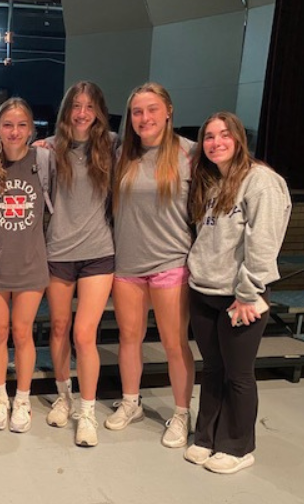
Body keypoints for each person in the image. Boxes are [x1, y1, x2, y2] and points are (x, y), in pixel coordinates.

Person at [185, 112, 290, 474]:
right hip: (204, 290)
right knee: (212, 368)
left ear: (239, 138)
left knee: (238, 373)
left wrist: (248, 293)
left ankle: (238, 445)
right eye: (209, 137)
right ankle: (206, 437)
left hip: (240, 296)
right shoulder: (211, 181)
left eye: (223, 135)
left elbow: (263, 242)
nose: (216, 142)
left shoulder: (261, 181)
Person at [108, 82, 196, 448]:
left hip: (171, 262)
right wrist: (45, 142)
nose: (144, 118)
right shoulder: (120, 152)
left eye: (152, 109)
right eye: (137, 111)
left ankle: (181, 413)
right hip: (128, 263)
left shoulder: (190, 153)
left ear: (169, 111)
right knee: (129, 338)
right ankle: (132, 403)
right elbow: (80, 142)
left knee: (174, 343)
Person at [41, 81, 117, 447]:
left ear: (98, 111)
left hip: (98, 253)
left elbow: (165, 147)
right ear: (67, 110)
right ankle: (63, 396)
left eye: (89, 106)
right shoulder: (50, 150)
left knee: (84, 334)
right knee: (59, 327)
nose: (82, 112)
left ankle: (87, 412)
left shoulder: (114, 146)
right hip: (58, 253)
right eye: (76, 105)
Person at [0, 97, 51, 433]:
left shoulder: (45, 160)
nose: (15, 131)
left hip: (30, 263)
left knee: (22, 332)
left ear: (31, 129)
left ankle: (22, 397)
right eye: (8, 125)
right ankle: (0, 396)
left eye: (22, 125)